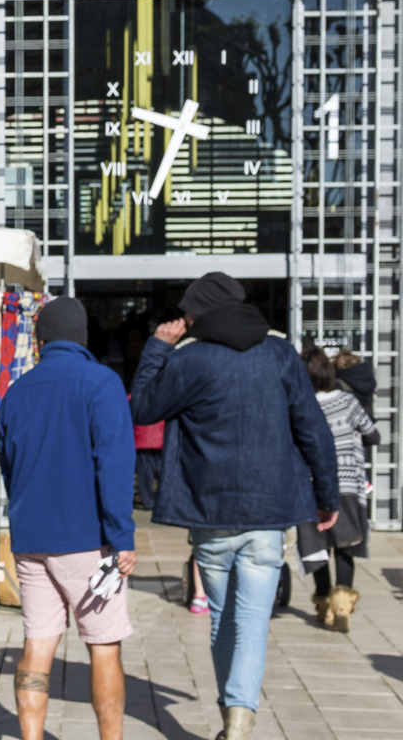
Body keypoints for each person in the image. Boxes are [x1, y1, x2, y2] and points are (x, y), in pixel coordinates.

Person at [132, 272, 338, 740]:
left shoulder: (190, 360)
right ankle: (238, 720)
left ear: (199, 313)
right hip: (268, 513)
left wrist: (158, 349)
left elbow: (142, 408)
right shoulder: (280, 355)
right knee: (251, 623)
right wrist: (326, 498)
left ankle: (235, 717)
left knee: (223, 620)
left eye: (187, 312)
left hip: (210, 512)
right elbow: (313, 429)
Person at [0, 296, 136, 740]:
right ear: (83, 337)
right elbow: (113, 464)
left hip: (31, 538)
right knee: (103, 647)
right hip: (86, 540)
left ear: (40, 340)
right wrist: (123, 535)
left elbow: (9, 468)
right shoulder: (101, 383)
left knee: (37, 644)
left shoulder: (16, 393)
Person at [296, 346, 377, 632]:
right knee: (346, 548)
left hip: (310, 486)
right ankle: (341, 604)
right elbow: (372, 433)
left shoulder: (301, 406)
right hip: (348, 483)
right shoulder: (348, 401)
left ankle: (322, 606)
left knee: (317, 548)